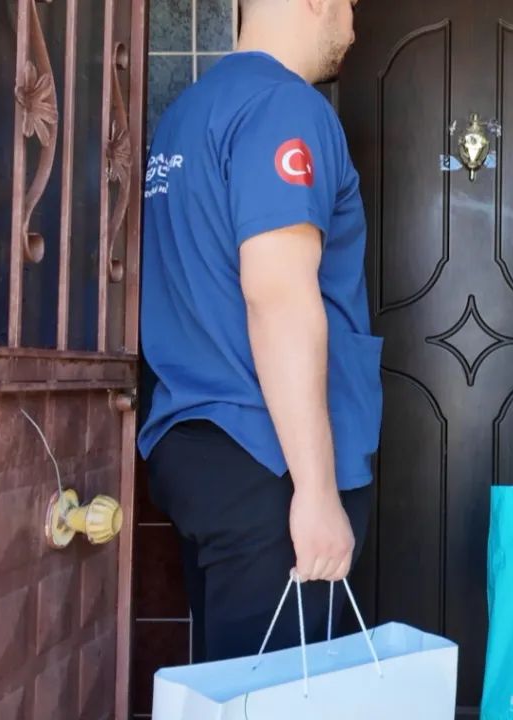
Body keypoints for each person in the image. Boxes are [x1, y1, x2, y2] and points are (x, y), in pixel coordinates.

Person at [137, 0, 379, 664]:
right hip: (267, 463)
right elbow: (277, 295)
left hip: (199, 451)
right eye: (351, 4)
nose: (353, 24)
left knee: (235, 686)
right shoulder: (285, 107)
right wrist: (317, 491)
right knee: (275, 694)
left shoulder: (185, 115)